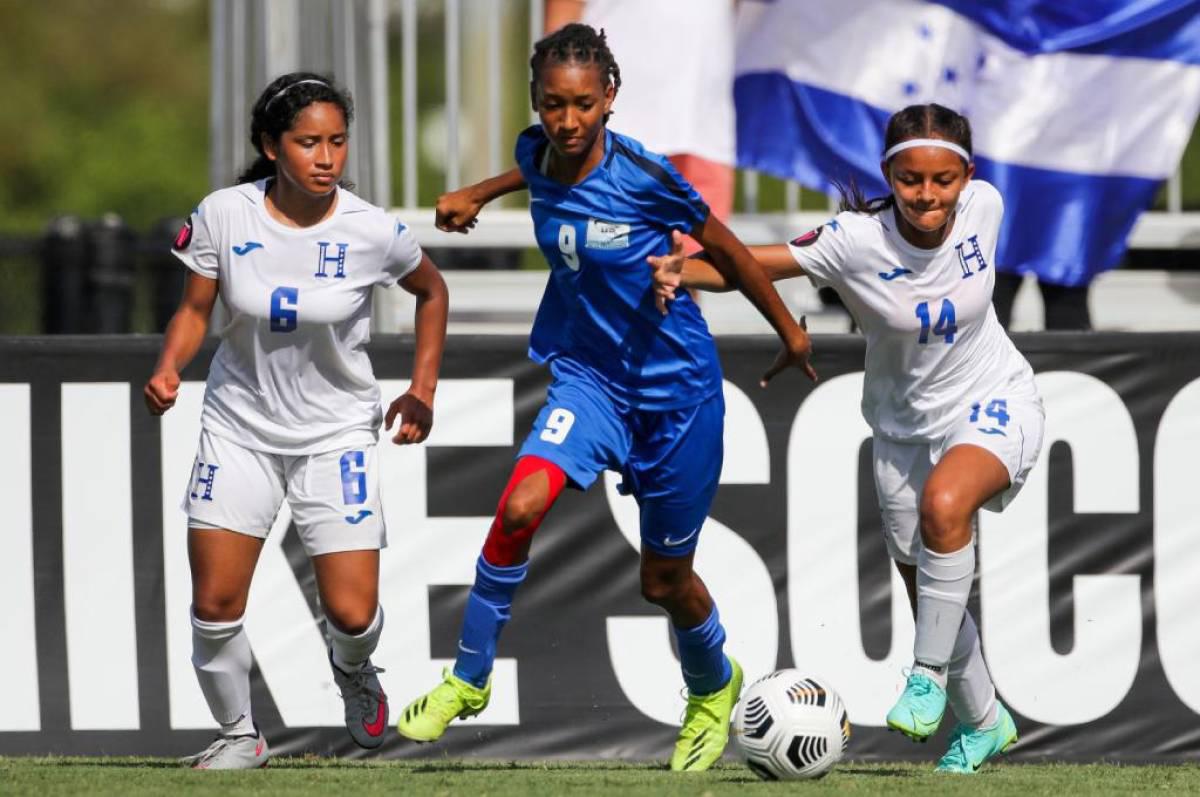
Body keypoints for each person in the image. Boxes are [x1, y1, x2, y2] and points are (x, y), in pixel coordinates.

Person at [395, 23, 814, 771]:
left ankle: (714, 686)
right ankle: (469, 675)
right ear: (537, 101)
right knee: (521, 504)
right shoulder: (538, 148)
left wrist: (791, 332)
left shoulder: (646, 178)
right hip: (589, 381)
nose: (567, 121)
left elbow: (726, 249)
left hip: (678, 396)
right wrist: (479, 193)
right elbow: (536, 168)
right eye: (553, 104)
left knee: (664, 581)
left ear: (609, 97)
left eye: (583, 104)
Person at [650, 103, 1045, 774]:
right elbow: (750, 264)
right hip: (900, 431)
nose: (928, 195)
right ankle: (984, 721)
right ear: (889, 173)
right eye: (911, 179)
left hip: (996, 398)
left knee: (947, 506)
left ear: (967, 176)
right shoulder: (854, 240)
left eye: (943, 180)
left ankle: (923, 676)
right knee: (929, 584)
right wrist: (680, 269)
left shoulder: (986, 206)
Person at [144, 72, 449, 769]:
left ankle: (353, 667)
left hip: (334, 432)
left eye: (337, 141)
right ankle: (239, 734)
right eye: (308, 142)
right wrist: (169, 368)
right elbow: (196, 309)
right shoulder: (225, 213)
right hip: (240, 426)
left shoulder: (371, 230)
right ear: (270, 146)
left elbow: (432, 290)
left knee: (351, 612)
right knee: (216, 599)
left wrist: (422, 387)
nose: (326, 157)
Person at [543, 0, 736, 255]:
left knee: (689, 270)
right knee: (606, 270)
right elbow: (561, 22)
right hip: (616, 132)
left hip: (703, 132)